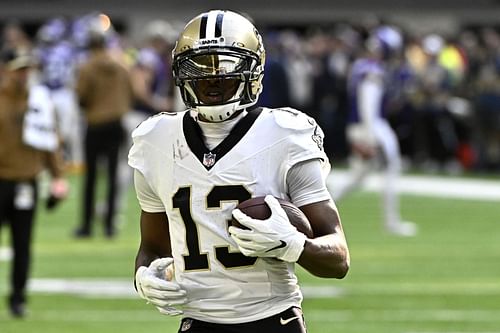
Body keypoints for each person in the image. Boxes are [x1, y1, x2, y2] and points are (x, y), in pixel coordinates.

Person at [128, 10, 350, 333]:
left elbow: (339, 259)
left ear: (253, 71)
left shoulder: (285, 134)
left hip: (273, 319)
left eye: (226, 67)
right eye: (201, 68)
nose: (212, 81)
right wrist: (144, 275)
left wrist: (294, 243)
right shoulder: (156, 141)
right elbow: (151, 246)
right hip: (197, 322)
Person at [0, 48, 68, 317]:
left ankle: (18, 299)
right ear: (5, 70)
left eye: (27, 69)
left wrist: (58, 177)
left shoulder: (39, 100)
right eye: (18, 69)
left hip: (27, 182)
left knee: (23, 246)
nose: (23, 74)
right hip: (1, 181)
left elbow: (49, 142)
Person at [331, 25, 417, 237]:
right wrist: (370, 137)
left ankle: (318, 209)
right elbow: (368, 105)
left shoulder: (360, 65)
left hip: (360, 126)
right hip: (371, 126)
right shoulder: (372, 70)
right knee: (390, 170)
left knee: (358, 176)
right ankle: (391, 222)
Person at [73, 27, 133, 238]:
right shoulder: (121, 63)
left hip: (95, 122)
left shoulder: (87, 66)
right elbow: (132, 89)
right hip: (116, 122)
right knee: (112, 175)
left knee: (90, 177)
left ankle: (87, 226)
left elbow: (81, 97)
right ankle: (109, 225)